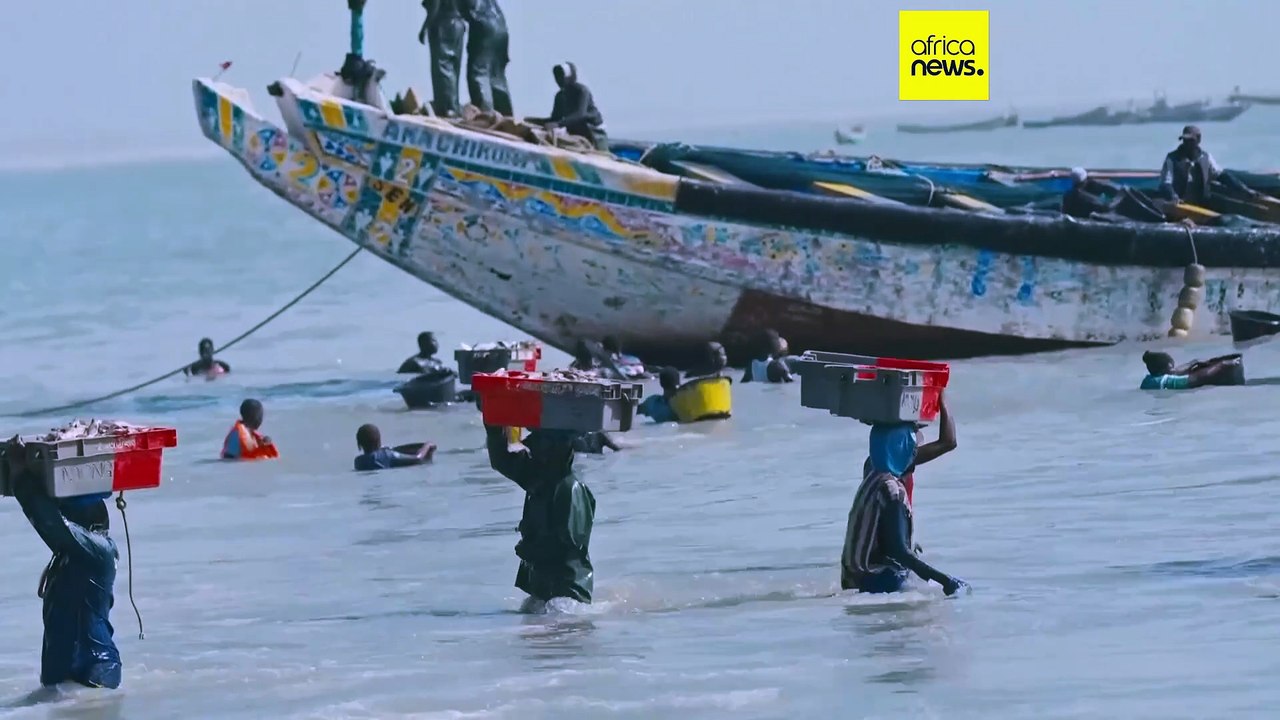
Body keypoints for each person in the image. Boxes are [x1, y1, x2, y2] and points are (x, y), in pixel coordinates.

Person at [6, 453, 121, 689]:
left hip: (94, 672)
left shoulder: (99, 551)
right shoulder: (70, 553)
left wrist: (20, 478)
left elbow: (50, 521)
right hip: (66, 673)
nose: (64, 514)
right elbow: (48, 522)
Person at [841, 423, 967, 596]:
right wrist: (945, 581)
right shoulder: (892, 490)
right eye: (912, 450)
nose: (915, 455)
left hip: (851, 578)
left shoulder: (872, 471)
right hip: (873, 581)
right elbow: (898, 551)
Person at [484, 425, 596, 607]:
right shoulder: (539, 480)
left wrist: (529, 550)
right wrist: (494, 429)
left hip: (566, 595)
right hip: (542, 589)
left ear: (555, 451)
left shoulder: (569, 489)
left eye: (539, 448)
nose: (532, 453)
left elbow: (567, 545)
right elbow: (502, 462)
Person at [863, 395, 957, 508]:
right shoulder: (901, 462)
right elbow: (949, 442)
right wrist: (942, 399)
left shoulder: (873, 461)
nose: (915, 445)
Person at [1158, 125, 1258, 205]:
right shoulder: (1172, 158)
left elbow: (1223, 176)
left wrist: (1244, 190)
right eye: (1185, 140)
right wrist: (1174, 197)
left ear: (1198, 140)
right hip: (1179, 207)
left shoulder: (1206, 158)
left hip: (1201, 206)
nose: (1187, 144)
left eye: (1190, 141)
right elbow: (1166, 183)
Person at [523, 62, 609, 151]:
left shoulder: (582, 91)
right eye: (557, 76)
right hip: (576, 132)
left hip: (594, 133)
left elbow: (580, 115)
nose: (558, 79)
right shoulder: (560, 96)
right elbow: (555, 119)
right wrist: (532, 120)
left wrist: (558, 124)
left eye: (562, 75)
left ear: (570, 76)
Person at [458, 0, 513, 116]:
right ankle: (505, 114)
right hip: (500, 27)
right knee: (496, 75)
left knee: (479, 73)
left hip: (483, 26)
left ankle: (486, 113)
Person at [418, 0, 467, 117]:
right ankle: (452, 106)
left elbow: (435, 3)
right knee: (454, 68)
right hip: (458, 23)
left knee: (442, 68)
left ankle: (447, 108)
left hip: (443, 24)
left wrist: (425, 27)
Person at [1140, 350, 1244, 390]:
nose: (1175, 369)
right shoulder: (1161, 382)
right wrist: (1221, 364)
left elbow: (1176, 371)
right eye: (1172, 367)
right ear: (1163, 369)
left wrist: (1194, 363)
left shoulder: (1149, 380)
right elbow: (1197, 379)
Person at [354, 424, 437, 471]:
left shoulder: (358, 461)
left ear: (359, 444)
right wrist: (427, 445)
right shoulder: (387, 455)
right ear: (378, 441)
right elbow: (418, 458)